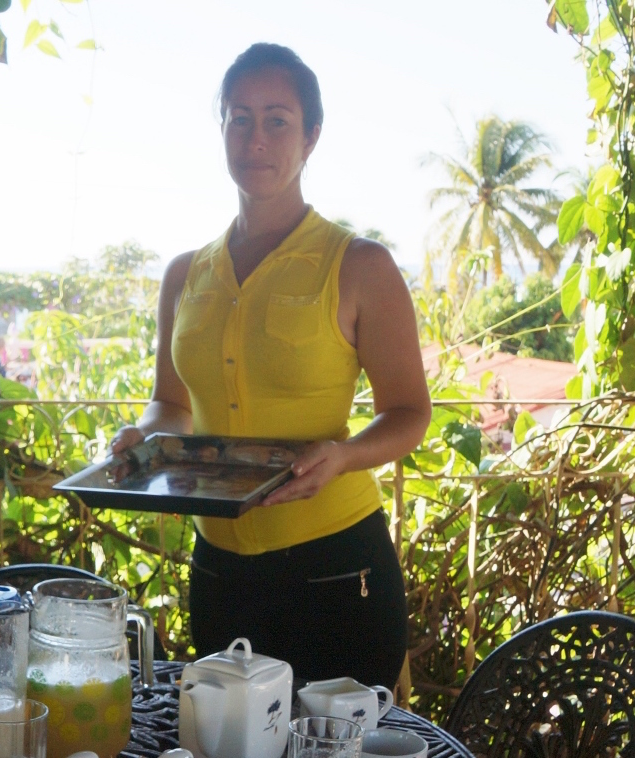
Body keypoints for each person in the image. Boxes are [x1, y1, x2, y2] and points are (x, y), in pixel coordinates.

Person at [110, 43, 431, 688]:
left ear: (311, 136)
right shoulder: (184, 275)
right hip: (220, 570)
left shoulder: (359, 265)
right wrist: (144, 434)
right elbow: (170, 402)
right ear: (221, 129)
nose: (256, 138)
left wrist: (340, 457)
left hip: (338, 569)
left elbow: (411, 413)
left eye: (277, 120)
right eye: (239, 118)